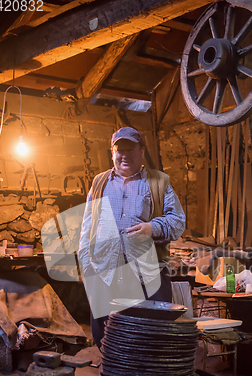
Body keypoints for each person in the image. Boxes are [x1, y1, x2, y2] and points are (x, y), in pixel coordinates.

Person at [78, 126, 185, 348]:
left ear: (142, 152)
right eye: (120, 150)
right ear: (112, 153)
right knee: (108, 335)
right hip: (105, 273)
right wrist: (86, 265)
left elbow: (178, 222)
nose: (124, 155)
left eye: (130, 149)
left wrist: (152, 228)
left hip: (147, 274)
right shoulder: (99, 183)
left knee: (151, 334)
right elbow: (87, 226)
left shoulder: (158, 182)